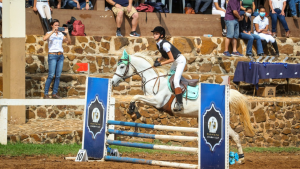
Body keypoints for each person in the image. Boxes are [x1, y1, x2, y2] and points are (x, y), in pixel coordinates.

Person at [151, 26, 186, 111]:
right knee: (169, 77)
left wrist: (160, 63)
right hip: (175, 62)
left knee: (175, 81)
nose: (154, 35)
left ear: (161, 35)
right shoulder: (159, 44)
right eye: (154, 34)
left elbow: (171, 59)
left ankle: (180, 104)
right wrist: (158, 60)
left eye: (156, 34)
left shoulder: (165, 44)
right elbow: (164, 55)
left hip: (180, 61)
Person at [43, 19, 71, 99]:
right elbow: (44, 39)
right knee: (51, 75)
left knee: (58, 76)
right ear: (52, 25)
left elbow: (68, 42)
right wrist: (53, 31)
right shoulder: (49, 33)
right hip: (52, 55)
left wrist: (67, 33)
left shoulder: (60, 34)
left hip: (60, 55)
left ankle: (54, 93)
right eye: (55, 25)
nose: (57, 26)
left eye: (58, 25)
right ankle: (46, 94)